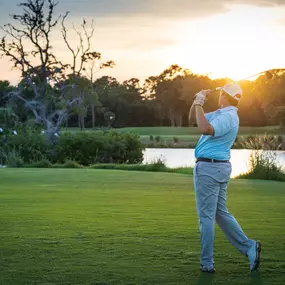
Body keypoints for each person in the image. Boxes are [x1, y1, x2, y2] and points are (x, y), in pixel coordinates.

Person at [188, 83, 261, 273]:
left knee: (206, 218)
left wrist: (200, 102)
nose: (218, 97)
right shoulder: (223, 114)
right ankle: (249, 247)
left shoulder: (227, 116)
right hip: (216, 167)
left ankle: (207, 263)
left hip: (210, 169)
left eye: (220, 94)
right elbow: (193, 120)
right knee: (220, 213)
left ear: (223, 96)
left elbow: (204, 129)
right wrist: (197, 102)